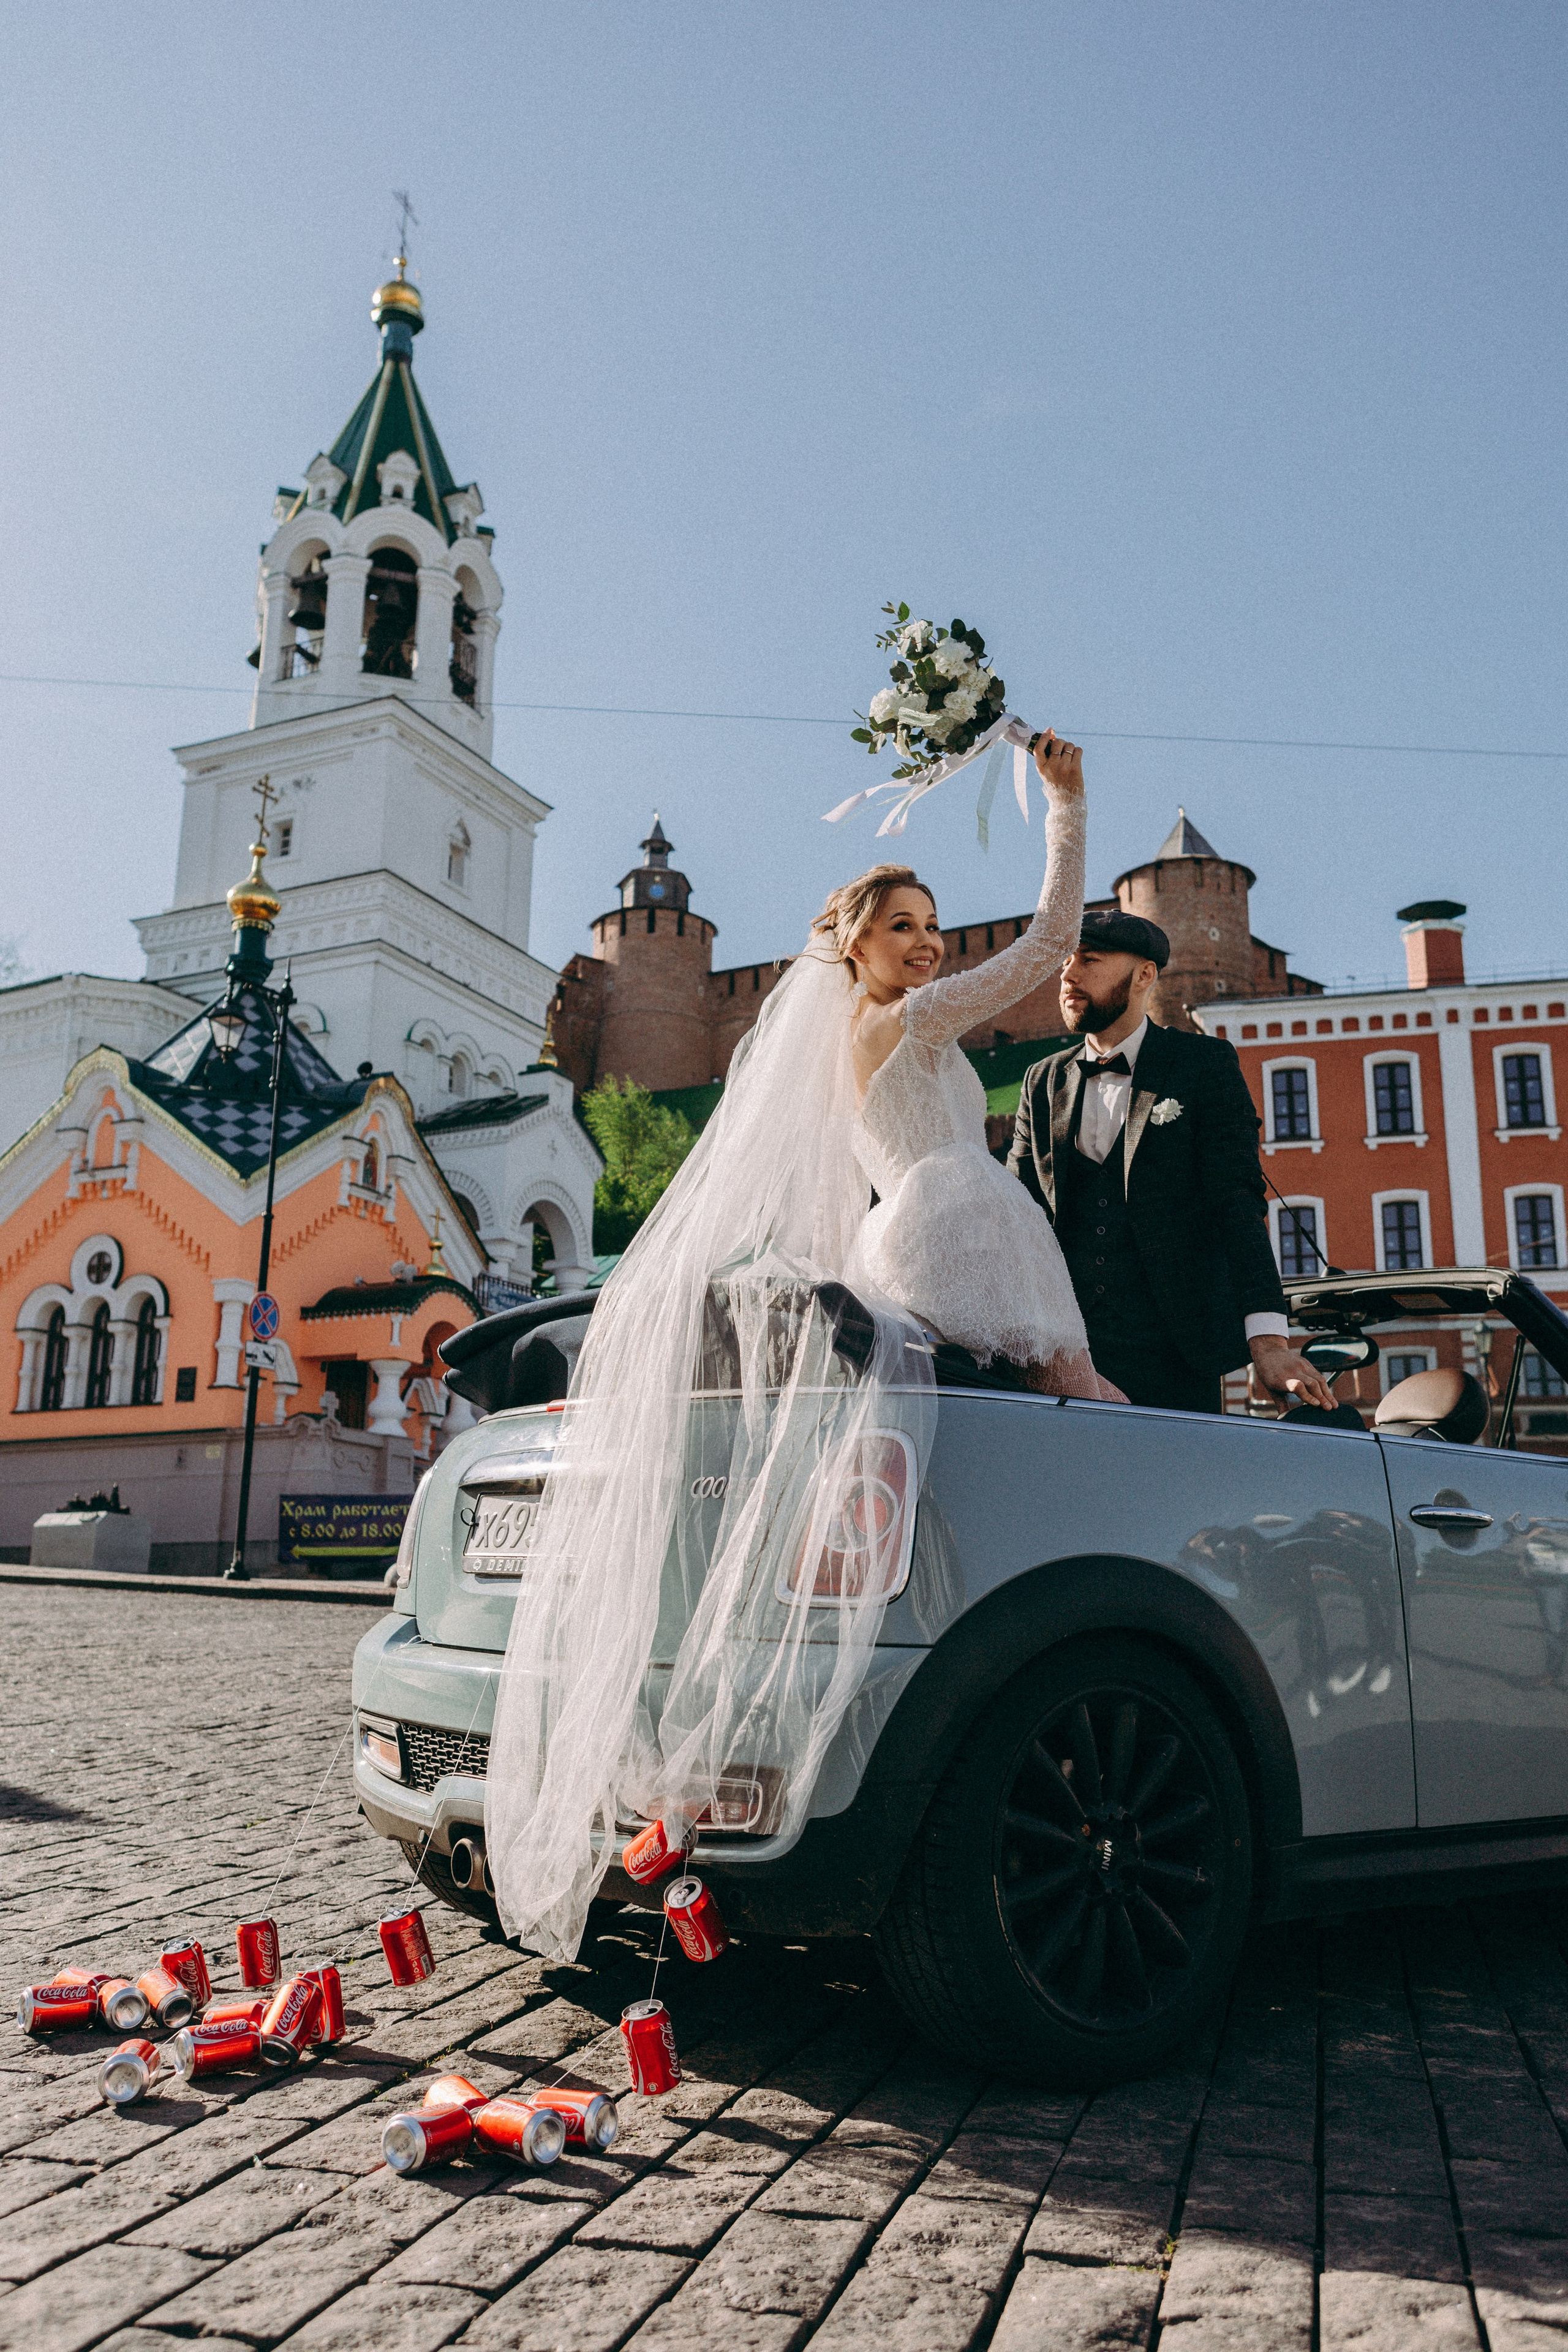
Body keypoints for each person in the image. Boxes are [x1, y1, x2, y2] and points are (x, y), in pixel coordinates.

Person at [831, 734, 1120, 1399]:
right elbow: (1049, 942)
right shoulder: (914, 1016)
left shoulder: (835, 1041)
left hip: (894, 1245)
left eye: (932, 925)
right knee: (1081, 1415)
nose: (928, 943)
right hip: (964, 1227)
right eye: (901, 926)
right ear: (855, 942)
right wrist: (1065, 805)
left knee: (1065, 1410)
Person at [1008, 914, 1335, 1414]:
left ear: (1144, 976)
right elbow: (1017, 1215)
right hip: (1064, 1357)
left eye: (1089, 961)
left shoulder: (1204, 1065)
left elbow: (1238, 1206)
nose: (1068, 976)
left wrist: (1268, 1345)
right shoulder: (1041, 1081)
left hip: (1176, 1356)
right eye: (1065, 962)